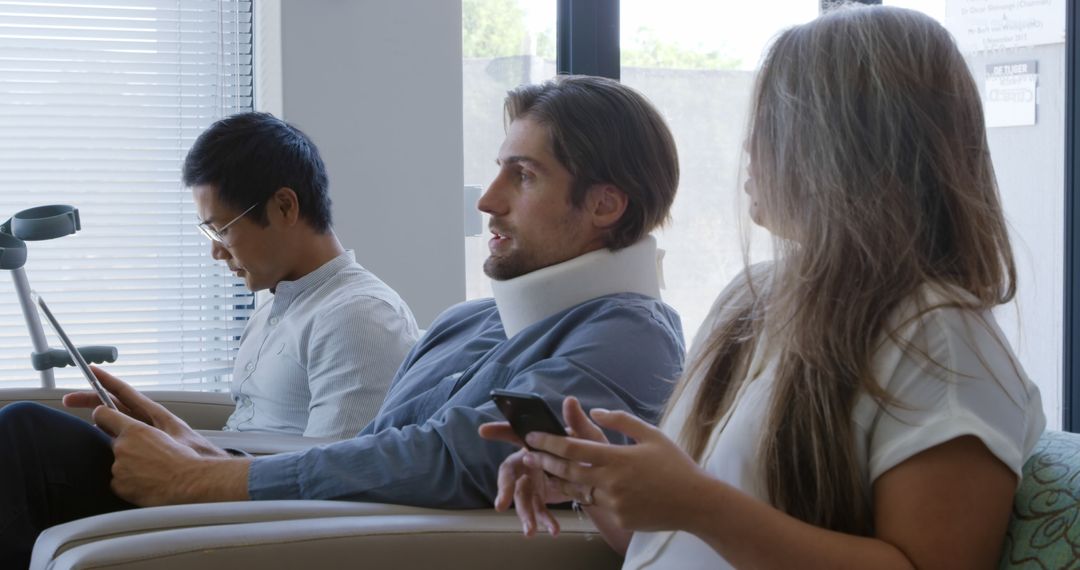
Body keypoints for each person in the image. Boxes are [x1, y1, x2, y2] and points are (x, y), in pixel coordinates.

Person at [0, 75, 685, 567]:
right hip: (327, 512)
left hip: (356, 541)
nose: (489, 201)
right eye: (497, 171)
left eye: (524, 176)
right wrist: (210, 451)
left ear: (604, 205)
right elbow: (376, 448)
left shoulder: (631, 334)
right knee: (29, 436)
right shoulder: (470, 323)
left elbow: (456, 457)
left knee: (25, 438)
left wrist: (206, 480)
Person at [480, 6, 1046, 569]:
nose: (749, 145)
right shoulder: (753, 299)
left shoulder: (940, 339)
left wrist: (699, 504)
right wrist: (593, 483)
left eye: (775, 119)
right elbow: (673, 547)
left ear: (845, 143)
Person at [185, 112, 419, 439]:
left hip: (256, 489)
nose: (217, 252)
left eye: (222, 230)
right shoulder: (272, 310)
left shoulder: (359, 317)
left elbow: (331, 473)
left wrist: (188, 474)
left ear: (284, 207)